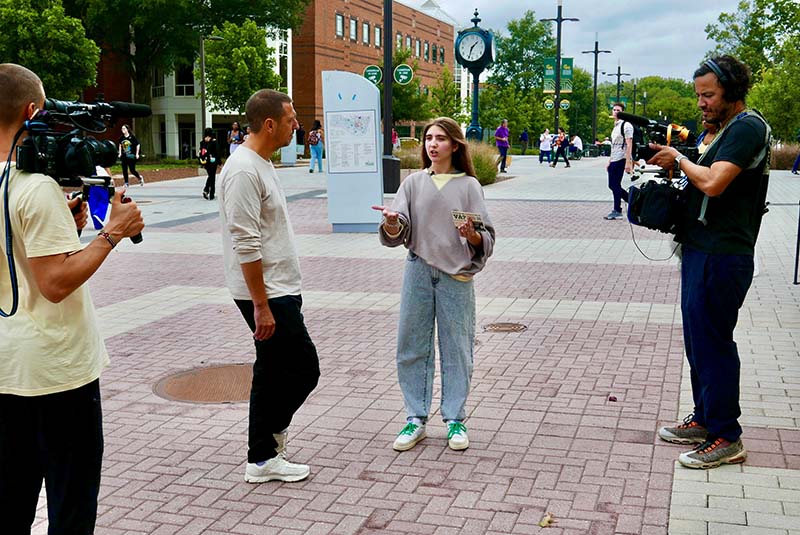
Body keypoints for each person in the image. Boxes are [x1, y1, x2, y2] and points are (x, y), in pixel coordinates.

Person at [0, 63, 144, 534]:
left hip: (8, 368)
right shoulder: (35, 187)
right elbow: (56, 283)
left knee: (13, 496)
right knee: (72, 501)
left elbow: (17, 252)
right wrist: (112, 234)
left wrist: (72, 230)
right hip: (56, 371)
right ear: (33, 111)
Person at [649, 56, 771, 469]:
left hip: (725, 254)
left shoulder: (747, 128)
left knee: (714, 343)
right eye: (698, 94)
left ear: (732, 92)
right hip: (702, 247)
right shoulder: (724, 131)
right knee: (697, 340)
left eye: (709, 95)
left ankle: (726, 436)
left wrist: (680, 161)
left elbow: (715, 183)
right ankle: (705, 419)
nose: (700, 103)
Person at [372, 117, 495, 453]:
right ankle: (415, 417)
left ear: (455, 144)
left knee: (457, 347)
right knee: (411, 345)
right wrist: (393, 223)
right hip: (418, 271)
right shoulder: (413, 183)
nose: (432, 144)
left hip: (456, 276)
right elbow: (398, 232)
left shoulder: (469, 185)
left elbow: (487, 236)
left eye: (441, 138)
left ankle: (455, 418)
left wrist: (472, 236)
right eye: (429, 138)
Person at [218, 89, 320, 483]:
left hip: (278, 289)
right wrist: (261, 305)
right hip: (267, 294)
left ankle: (262, 457)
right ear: (270, 124)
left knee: (271, 371)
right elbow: (245, 241)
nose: (299, 126)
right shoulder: (243, 170)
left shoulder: (260, 163)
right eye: (292, 119)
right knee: (304, 368)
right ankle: (267, 443)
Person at [604, 103, 634, 220]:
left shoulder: (626, 126)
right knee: (613, 185)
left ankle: (618, 209)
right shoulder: (616, 126)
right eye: (614, 109)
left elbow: (629, 144)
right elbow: (614, 146)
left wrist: (628, 162)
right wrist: (610, 161)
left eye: (618, 110)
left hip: (621, 159)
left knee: (614, 184)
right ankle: (632, 204)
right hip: (614, 159)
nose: (615, 112)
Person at [198, 127, 219, 200]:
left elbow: (201, 151)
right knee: (212, 177)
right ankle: (210, 193)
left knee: (210, 175)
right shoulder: (213, 141)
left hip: (205, 161)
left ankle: (207, 190)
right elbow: (216, 152)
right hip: (213, 160)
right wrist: (219, 161)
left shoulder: (202, 142)